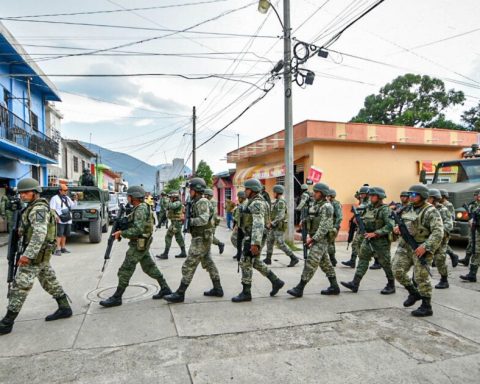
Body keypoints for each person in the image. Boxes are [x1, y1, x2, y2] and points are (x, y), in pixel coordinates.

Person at [0, 178, 72, 335]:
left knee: (20, 286)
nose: (22, 195)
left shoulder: (38, 210)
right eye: (21, 193)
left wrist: (27, 255)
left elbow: (39, 234)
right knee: (49, 281)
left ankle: (7, 323)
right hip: (41, 255)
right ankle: (65, 308)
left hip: (34, 256)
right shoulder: (32, 208)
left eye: (26, 192)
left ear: (35, 193)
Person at [99, 186, 171, 307]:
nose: (128, 198)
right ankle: (165, 288)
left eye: (129, 196)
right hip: (141, 243)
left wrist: (122, 233)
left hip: (138, 244)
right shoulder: (139, 208)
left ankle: (117, 297)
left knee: (125, 270)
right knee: (149, 267)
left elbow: (137, 229)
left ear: (134, 198)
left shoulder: (141, 209)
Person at [164, 178, 224, 303]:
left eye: (191, 190)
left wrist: (187, 221)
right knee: (209, 263)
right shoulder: (195, 202)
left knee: (189, 264)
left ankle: (180, 293)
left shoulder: (202, 201)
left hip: (201, 238)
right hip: (201, 237)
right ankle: (218, 289)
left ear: (196, 190)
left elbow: (203, 219)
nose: (189, 192)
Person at [392, 184, 444, 317]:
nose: (411, 197)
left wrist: (426, 246)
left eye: (414, 195)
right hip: (405, 246)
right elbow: (402, 223)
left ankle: (427, 306)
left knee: (421, 277)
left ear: (423, 196)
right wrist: (397, 228)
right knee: (396, 270)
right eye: (410, 195)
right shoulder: (406, 208)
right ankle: (413, 293)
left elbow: (438, 232)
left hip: (421, 247)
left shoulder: (430, 211)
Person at [232, 178, 284, 302]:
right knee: (254, 262)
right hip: (252, 236)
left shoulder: (257, 203)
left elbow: (258, 224)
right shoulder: (253, 201)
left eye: (247, 189)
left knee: (246, 262)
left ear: (253, 190)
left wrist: (255, 243)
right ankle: (276, 281)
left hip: (254, 237)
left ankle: (246, 292)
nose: (245, 191)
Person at [287, 182, 340, 298]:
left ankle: (299, 288)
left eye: (316, 192)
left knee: (310, 263)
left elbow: (324, 227)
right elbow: (313, 217)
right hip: (316, 238)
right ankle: (334, 286)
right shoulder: (316, 205)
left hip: (321, 239)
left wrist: (313, 239)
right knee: (326, 264)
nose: (314, 194)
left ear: (322, 193)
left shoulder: (327, 206)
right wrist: (304, 220)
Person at [341, 187, 396, 295]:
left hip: (381, 241)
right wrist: (358, 221)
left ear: (379, 197)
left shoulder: (385, 209)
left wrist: (376, 233)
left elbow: (390, 225)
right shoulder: (368, 207)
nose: (370, 197)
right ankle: (355, 283)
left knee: (385, 263)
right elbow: (364, 219)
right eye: (370, 195)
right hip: (368, 238)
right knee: (363, 259)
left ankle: (391, 284)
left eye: (373, 196)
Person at [264, 185, 299, 267]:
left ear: (277, 193)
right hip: (275, 226)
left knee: (280, 243)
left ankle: (293, 258)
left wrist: (272, 223)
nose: (273, 194)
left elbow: (281, 216)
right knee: (269, 241)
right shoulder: (277, 201)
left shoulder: (280, 202)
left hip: (279, 226)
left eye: (274, 192)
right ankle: (268, 259)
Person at [427, 189, 453, 289]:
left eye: (429, 198)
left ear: (434, 199)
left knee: (439, 259)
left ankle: (444, 279)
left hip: (441, 239)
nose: (427, 200)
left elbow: (449, 224)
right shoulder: (426, 209)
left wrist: (438, 232)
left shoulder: (443, 209)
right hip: (427, 238)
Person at [342, 185, 369, 268]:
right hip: (360, 227)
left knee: (372, 246)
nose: (361, 195)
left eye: (363, 194)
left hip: (367, 228)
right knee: (355, 244)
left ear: (368, 194)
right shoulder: (363, 202)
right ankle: (352, 261)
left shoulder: (369, 203)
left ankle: (379, 262)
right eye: (361, 194)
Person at [156, 192, 186, 259]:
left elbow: (171, 206)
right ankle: (183, 252)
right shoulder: (174, 202)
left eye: (171, 198)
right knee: (179, 238)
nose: (170, 199)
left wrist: (167, 202)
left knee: (168, 236)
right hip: (175, 223)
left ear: (175, 198)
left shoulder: (177, 203)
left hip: (176, 223)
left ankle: (165, 254)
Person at [49, 184, 77, 256]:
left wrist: (75, 200)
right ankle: (57, 249)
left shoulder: (67, 198)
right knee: (59, 234)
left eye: (67, 190)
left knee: (65, 234)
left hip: (68, 218)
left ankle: (63, 248)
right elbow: (52, 209)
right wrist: (55, 216)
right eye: (64, 190)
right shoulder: (54, 198)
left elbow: (73, 206)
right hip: (60, 219)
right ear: (60, 191)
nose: (66, 192)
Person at [460, 189, 480, 282]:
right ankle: (472, 274)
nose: (477, 196)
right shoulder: (474, 205)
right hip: (476, 231)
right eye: (476, 195)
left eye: (478, 195)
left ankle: (472, 274)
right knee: (475, 251)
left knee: (476, 252)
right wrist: (472, 221)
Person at [439, 189, 459, 267]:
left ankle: (453, 255)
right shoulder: (440, 204)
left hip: (446, 226)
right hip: (440, 225)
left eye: (440, 196)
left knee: (442, 243)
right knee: (440, 242)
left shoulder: (448, 205)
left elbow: (450, 217)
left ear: (443, 196)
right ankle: (452, 255)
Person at [204, 188, 225, 255]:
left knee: (209, 237)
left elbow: (211, 213)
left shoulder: (212, 202)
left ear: (209, 195)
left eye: (206, 195)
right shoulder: (209, 201)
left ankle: (218, 245)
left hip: (211, 222)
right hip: (210, 222)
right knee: (209, 236)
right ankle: (219, 244)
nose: (204, 196)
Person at [327, 189, 343, 267]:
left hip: (333, 226)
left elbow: (339, 217)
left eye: (328, 196)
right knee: (329, 242)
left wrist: (335, 227)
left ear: (331, 196)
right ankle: (331, 259)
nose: (327, 197)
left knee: (330, 242)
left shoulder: (336, 204)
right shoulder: (329, 203)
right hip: (328, 225)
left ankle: (332, 259)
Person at [231, 190, 248, 259]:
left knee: (238, 239)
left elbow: (240, 216)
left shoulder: (245, 204)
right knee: (238, 240)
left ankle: (241, 253)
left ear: (242, 197)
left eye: (239, 197)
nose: (238, 199)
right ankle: (240, 252)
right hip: (240, 225)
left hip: (243, 226)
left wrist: (237, 225)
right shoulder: (241, 204)